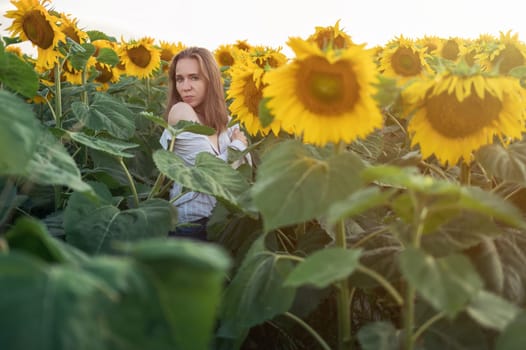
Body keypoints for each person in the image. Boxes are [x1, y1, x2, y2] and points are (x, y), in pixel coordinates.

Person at [159, 46, 249, 241]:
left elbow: (244, 171)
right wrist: (238, 147)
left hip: (223, 224)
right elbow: (210, 176)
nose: (185, 87)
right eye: (179, 79)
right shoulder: (181, 112)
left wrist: (235, 157)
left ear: (211, 80)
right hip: (190, 228)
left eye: (194, 77)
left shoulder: (226, 120)